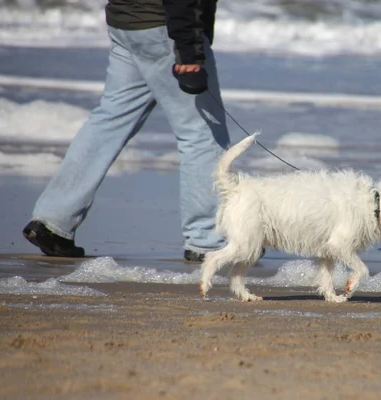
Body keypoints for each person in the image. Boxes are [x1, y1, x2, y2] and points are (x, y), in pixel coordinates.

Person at [22, 0, 229, 262]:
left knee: (109, 121)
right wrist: (189, 51)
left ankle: (52, 222)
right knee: (202, 134)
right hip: (165, 28)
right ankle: (207, 239)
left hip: (127, 22)